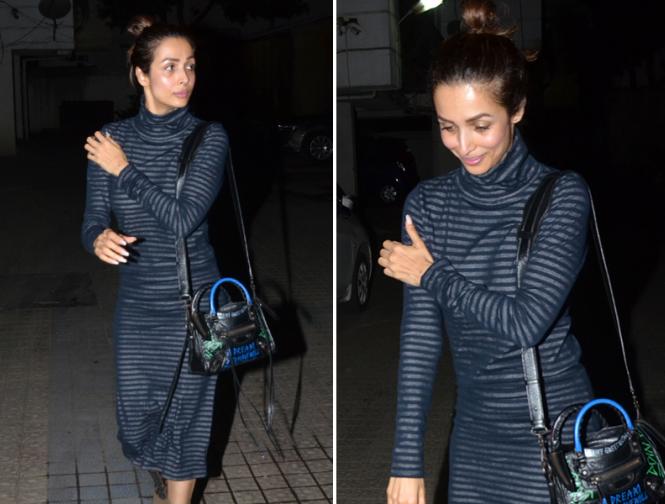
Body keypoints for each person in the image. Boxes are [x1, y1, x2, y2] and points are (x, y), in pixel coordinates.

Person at [379, 1, 596, 502]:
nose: (463, 145)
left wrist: (432, 274)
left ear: (516, 109)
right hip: (474, 440)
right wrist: (407, 460)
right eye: (447, 126)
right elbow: (420, 343)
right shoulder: (427, 204)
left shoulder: (562, 196)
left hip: (556, 436)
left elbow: (525, 323)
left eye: (480, 125)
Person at [81, 15, 228, 504]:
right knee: (137, 418)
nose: (184, 78)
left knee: (191, 414)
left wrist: (124, 170)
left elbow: (182, 219)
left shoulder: (209, 137)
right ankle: (167, 476)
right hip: (140, 304)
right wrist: (98, 238)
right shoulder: (110, 139)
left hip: (197, 305)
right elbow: (92, 219)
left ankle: (178, 494)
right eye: (170, 67)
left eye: (190, 66)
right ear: (141, 74)